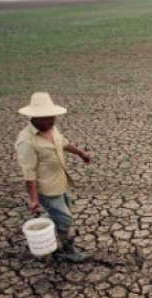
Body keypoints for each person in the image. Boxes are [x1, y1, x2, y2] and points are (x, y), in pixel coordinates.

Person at [15, 92, 92, 263]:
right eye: (47, 119)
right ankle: (67, 251)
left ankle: (47, 222)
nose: (52, 122)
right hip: (47, 189)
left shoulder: (51, 128)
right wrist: (33, 200)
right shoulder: (26, 141)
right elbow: (29, 174)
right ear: (34, 117)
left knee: (60, 214)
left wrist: (81, 153)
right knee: (64, 219)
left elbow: (63, 142)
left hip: (60, 182)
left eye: (53, 118)